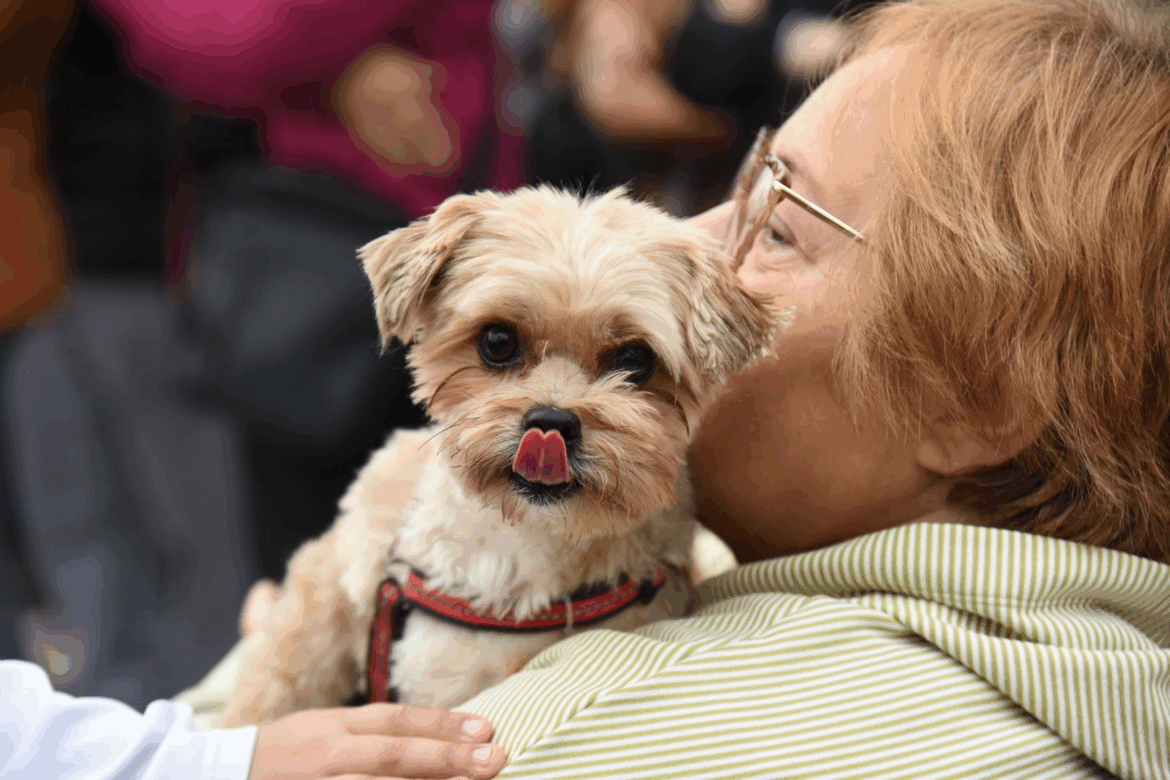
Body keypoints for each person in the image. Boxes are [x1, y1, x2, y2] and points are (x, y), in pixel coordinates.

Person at [3, 0, 1168, 777]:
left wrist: (212, 738)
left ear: (978, 399)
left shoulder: (572, 734)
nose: (697, 240)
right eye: (738, 177)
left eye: (781, 218)